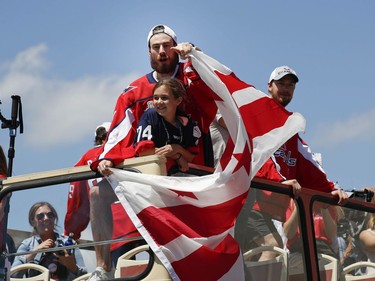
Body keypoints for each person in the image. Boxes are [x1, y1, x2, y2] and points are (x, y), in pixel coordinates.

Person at [87, 24, 218, 280]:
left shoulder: (192, 83)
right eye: (155, 47)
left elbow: (214, 96)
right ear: (148, 53)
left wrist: (196, 58)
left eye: (167, 46)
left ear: (176, 50)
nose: (162, 51)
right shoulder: (133, 92)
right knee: (96, 193)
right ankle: (103, 270)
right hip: (147, 176)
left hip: (189, 176)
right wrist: (105, 159)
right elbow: (118, 132)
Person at [63, 123, 144, 268]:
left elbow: (75, 202)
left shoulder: (84, 159)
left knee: (120, 274)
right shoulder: (128, 150)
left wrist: (71, 233)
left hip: (111, 232)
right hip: (140, 221)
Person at [134, 78, 201, 173]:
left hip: (178, 178)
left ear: (178, 100)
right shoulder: (150, 116)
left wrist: (178, 149)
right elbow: (142, 152)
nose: (159, 102)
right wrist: (177, 156)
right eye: (155, 98)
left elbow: (191, 157)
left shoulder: (187, 123)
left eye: (164, 98)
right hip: (152, 175)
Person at [12, 202, 87, 281]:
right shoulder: (27, 245)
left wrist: (71, 265)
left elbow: (85, 277)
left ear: (54, 218)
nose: (46, 218)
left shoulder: (69, 243)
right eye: (40, 216)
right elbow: (13, 275)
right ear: (33, 221)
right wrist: (35, 251)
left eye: (50, 215)